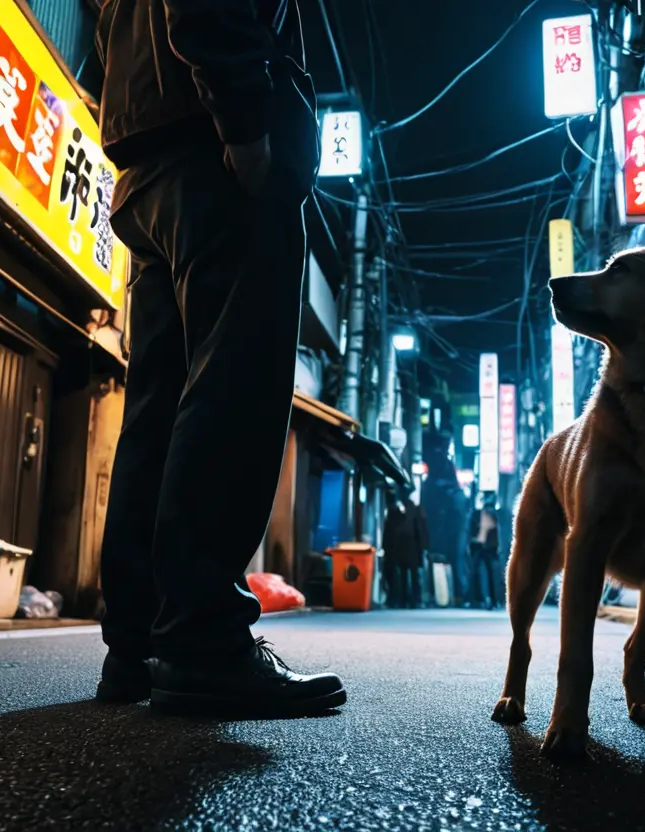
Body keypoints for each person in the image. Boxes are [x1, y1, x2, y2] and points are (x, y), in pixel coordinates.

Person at [93, 0, 345, 717]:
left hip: (145, 156)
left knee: (160, 410)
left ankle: (138, 646)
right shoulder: (233, 136)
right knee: (232, 393)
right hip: (216, 147)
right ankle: (202, 641)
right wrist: (247, 124)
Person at [382, 486, 429, 609]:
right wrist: (423, 547)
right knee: (412, 574)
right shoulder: (414, 509)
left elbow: (389, 531)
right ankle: (413, 599)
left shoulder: (395, 510)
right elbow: (421, 529)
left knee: (405, 573)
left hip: (402, 546)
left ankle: (406, 599)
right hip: (410, 547)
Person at [468, 498, 501, 610]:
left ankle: (493, 600)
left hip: (489, 548)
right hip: (478, 546)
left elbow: (496, 535)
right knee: (474, 572)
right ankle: (476, 599)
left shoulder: (494, 518)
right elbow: (472, 529)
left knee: (491, 574)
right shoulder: (477, 515)